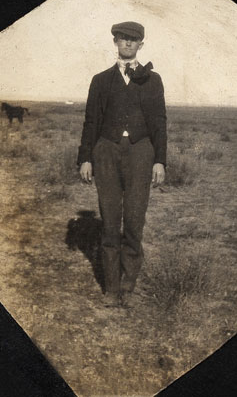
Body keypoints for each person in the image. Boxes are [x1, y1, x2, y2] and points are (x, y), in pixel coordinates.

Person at [78, 21, 167, 308]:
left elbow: (159, 123)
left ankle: (129, 284)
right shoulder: (100, 80)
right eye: (122, 39)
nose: (127, 44)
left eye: (133, 40)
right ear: (115, 41)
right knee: (109, 219)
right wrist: (86, 158)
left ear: (141, 44)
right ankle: (111, 288)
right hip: (106, 152)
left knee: (134, 218)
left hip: (141, 152)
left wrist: (160, 161)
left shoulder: (152, 80)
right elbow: (91, 122)